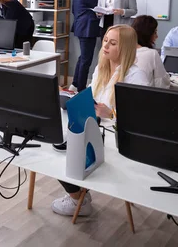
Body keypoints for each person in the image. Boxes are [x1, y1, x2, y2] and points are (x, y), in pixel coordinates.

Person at [52, 25, 150, 217]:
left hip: (117, 135)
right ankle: (79, 195)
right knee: (55, 145)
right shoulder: (101, 67)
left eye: (113, 43)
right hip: (94, 125)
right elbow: (92, 95)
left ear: (126, 48)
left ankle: (77, 199)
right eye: (105, 40)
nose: (105, 46)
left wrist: (112, 114)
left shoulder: (136, 75)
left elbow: (140, 118)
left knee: (69, 154)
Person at [70, 0, 100, 92]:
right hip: (87, 29)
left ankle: (75, 83)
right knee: (86, 59)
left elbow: (74, 10)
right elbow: (96, 8)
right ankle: (81, 88)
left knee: (83, 57)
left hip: (79, 27)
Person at [132, 15, 171, 88]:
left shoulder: (125, 50)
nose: (157, 36)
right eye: (155, 32)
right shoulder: (152, 53)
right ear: (147, 34)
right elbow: (161, 84)